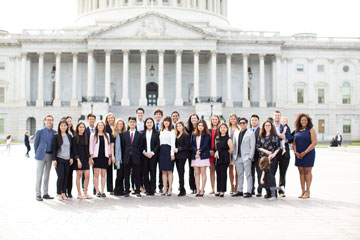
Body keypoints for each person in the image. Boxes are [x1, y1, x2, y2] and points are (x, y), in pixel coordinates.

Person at [293, 113, 317, 199]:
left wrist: (305, 152)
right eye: (302, 120)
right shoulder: (297, 130)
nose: (304, 121)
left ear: (308, 121)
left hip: (308, 153)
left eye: (305, 120)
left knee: (307, 171)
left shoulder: (311, 130)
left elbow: (314, 142)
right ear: (299, 121)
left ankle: (308, 191)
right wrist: (295, 152)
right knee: (301, 171)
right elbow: (294, 142)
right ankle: (302, 191)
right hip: (298, 154)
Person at [231, 118, 256, 198]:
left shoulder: (251, 133)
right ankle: (240, 190)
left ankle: (249, 191)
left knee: (248, 175)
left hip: (246, 157)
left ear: (247, 124)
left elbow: (253, 146)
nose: (242, 124)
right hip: (238, 157)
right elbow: (234, 144)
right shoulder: (236, 132)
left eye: (243, 123)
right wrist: (234, 155)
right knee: (240, 174)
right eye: (240, 123)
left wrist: (250, 157)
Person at [256, 119, 280, 198]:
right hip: (263, 159)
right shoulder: (261, 136)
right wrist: (266, 151)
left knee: (271, 176)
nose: (267, 127)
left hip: (272, 158)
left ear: (271, 126)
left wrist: (273, 154)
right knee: (264, 175)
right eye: (266, 125)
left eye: (269, 125)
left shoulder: (275, 135)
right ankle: (268, 193)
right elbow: (258, 147)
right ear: (264, 127)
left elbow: (278, 147)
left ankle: (273, 193)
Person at [34, 115, 56, 201]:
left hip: (50, 156)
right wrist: (38, 154)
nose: (49, 121)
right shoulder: (40, 132)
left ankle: (45, 193)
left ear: (53, 122)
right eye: (47, 120)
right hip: (41, 156)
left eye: (51, 120)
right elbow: (36, 144)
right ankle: (38, 194)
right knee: (39, 175)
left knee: (47, 175)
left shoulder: (55, 132)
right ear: (44, 121)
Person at [52, 120, 74, 201]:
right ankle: (58, 193)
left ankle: (64, 193)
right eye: (62, 125)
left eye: (65, 125)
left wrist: (71, 157)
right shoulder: (56, 136)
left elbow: (71, 148)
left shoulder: (69, 136)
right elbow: (53, 149)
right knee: (60, 177)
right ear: (59, 126)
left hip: (67, 160)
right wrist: (54, 159)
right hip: (59, 159)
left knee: (66, 177)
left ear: (67, 127)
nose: (63, 127)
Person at [89, 121, 112, 198]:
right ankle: (97, 190)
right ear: (97, 126)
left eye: (102, 125)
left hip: (104, 157)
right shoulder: (93, 135)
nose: (100, 126)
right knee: (96, 174)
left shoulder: (107, 135)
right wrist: (91, 157)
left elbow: (109, 147)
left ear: (104, 127)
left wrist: (109, 157)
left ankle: (102, 191)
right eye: (99, 125)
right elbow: (91, 146)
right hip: (96, 157)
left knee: (103, 174)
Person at [123, 117, 142, 197]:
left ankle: (137, 191)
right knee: (126, 175)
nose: (132, 123)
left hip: (136, 157)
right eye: (130, 122)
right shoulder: (124, 134)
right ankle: (127, 190)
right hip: (127, 157)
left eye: (134, 122)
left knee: (137, 174)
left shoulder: (139, 135)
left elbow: (140, 146)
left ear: (136, 123)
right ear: (128, 123)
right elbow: (123, 146)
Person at [191, 119, 211, 197]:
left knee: (203, 173)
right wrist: (196, 151)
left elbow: (205, 145)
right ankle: (197, 190)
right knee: (196, 174)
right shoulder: (193, 134)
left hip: (203, 156)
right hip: (195, 156)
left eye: (202, 125)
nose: (200, 127)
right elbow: (192, 144)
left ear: (204, 126)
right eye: (199, 125)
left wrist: (199, 152)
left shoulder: (207, 135)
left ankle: (202, 190)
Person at [273, 111, 291, 197]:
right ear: (273, 117)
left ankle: (281, 191)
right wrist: (279, 136)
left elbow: (290, 139)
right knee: (272, 172)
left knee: (282, 173)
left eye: (278, 115)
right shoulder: (270, 127)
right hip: (274, 152)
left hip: (284, 153)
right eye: (275, 115)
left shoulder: (285, 127)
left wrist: (285, 138)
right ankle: (272, 191)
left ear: (280, 117)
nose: (277, 117)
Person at [141, 117, 160, 196]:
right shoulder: (141, 133)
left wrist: (152, 153)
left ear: (153, 123)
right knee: (145, 173)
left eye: (151, 122)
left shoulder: (157, 133)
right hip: (144, 156)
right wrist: (145, 152)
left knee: (153, 172)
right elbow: (140, 145)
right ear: (145, 124)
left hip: (153, 156)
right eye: (148, 122)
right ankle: (147, 189)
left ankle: (152, 189)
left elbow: (158, 144)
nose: (149, 124)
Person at [73, 122, 91, 199]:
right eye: (80, 127)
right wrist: (78, 160)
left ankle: (85, 193)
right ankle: (79, 193)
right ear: (77, 128)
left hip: (85, 158)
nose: (82, 129)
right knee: (79, 175)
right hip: (78, 159)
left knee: (87, 175)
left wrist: (89, 158)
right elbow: (74, 150)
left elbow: (87, 149)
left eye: (83, 127)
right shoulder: (74, 138)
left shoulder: (86, 137)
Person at [214, 123, 233, 197]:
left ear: (227, 129)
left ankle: (222, 190)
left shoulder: (228, 138)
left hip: (224, 158)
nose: (222, 129)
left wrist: (224, 153)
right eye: (221, 127)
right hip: (217, 157)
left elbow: (231, 149)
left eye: (224, 127)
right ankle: (218, 189)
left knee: (223, 174)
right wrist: (216, 152)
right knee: (218, 174)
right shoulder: (217, 138)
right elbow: (215, 148)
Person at [159, 116, 176, 196]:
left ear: (170, 123)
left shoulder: (172, 131)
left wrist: (172, 154)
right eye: (165, 121)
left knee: (169, 171)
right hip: (161, 151)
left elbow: (173, 143)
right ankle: (164, 189)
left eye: (168, 121)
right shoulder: (161, 131)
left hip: (168, 151)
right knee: (163, 171)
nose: (166, 122)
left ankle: (170, 189)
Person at [174, 121, 190, 196]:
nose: (178, 127)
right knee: (179, 172)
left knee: (181, 172)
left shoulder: (185, 135)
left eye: (180, 126)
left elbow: (187, 146)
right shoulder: (176, 134)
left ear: (183, 126)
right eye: (177, 126)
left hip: (182, 156)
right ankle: (181, 187)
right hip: (177, 156)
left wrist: (179, 149)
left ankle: (182, 189)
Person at [112, 118, 127, 196]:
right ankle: (117, 189)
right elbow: (112, 146)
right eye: (118, 124)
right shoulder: (114, 134)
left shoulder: (125, 133)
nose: (120, 125)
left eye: (121, 124)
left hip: (125, 156)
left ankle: (122, 189)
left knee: (124, 174)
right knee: (119, 173)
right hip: (118, 157)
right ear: (116, 125)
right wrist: (113, 156)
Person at [186, 113, 199, 194]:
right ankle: (192, 187)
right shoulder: (187, 129)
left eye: (195, 118)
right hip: (191, 152)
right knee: (191, 170)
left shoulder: (201, 128)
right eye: (192, 118)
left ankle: (199, 187)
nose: (193, 120)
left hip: (199, 152)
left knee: (199, 170)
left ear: (197, 119)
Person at [250, 114, 262, 196]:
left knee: (259, 173)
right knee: (251, 173)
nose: (254, 121)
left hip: (258, 155)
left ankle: (259, 190)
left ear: (258, 121)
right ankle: (251, 189)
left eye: (255, 120)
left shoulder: (261, 131)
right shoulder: (248, 131)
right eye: (252, 120)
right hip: (250, 155)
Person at [105, 113, 116, 195]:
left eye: (112, 118)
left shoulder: (116, 127)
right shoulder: (105, 128)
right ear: (107, 119)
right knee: (109, 171)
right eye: (109, 118)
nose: (111, 119)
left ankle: (119, 186)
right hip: (109, 150)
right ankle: (110, 188)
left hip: (117, 150)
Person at [228, 113, 239, 194]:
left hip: (237, 151)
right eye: (231, 119)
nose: (233, 120)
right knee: (230, 169)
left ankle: (237, 186)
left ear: (236, 120)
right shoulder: (227, 128)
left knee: (237, 170)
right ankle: (232, 186)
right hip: (229, 151)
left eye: (234, 119)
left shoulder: (239, 129)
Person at [209, 115, 221, 194]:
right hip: (210, 153)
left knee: (219, 171)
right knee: (211, 171)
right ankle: (212, 188)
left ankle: (219, 188)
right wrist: (209, 150)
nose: (214, 121)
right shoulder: (208, 130)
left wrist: (217, 150)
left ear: (218, 120)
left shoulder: (221, 129)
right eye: (213, 119)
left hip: (218, 152)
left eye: (216, 119)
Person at [64, 116, 75, 198]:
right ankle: (63, 191)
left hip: (72, 156)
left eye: (70, 121)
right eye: (68, 121)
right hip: (64, 156)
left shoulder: (74, 132)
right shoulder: (63, 132)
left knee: (70, 175)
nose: (69, 122)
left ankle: (69, 191)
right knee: (64, 175)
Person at [85, 113, 96, 194]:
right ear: (88, 120)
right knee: (85, 172)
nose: (91, 121)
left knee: (95, 172)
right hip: (86, 154)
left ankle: (95, 188)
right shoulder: (84, 130)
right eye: (90, 119)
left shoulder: (99, 129)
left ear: (95, 120)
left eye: (93, 119)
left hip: (96, 154)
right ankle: (84, 188)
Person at [153, 109, 163, 192]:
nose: (158, 115)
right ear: (154, 116)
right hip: (153, 151)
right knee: (153, 169)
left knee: (161, 169)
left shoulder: (164, 125)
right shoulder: (151, 125)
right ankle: (153, 186)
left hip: (162, 151)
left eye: (160, 114)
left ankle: (161, 186)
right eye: (156, 114)